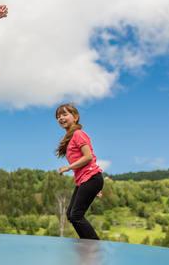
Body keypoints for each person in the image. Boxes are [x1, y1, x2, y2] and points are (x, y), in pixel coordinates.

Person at [55, 103, 103, 240]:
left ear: (76, 117)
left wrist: (68, 168)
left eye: (65, 114)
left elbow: (88, 157)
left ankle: (94, 245)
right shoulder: (70, 138)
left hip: (91, 177)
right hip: (86, 180)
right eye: (58, 116)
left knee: (76, 214)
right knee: (71, 214)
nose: (61, 118)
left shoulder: (78, 134)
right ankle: (87, 244)